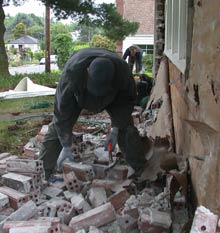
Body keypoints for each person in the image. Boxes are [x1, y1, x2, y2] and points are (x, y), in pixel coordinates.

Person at [39, 47, 147, 180]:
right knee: (58, 128)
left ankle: (142, 172)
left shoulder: (124, 74)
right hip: (79, 94)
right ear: (87, 73)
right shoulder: (72, 75)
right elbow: (61, 113)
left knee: (127, 129)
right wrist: (66, 146)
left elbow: (126, 104)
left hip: (114, 96)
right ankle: (43, 173)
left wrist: (116, 128)